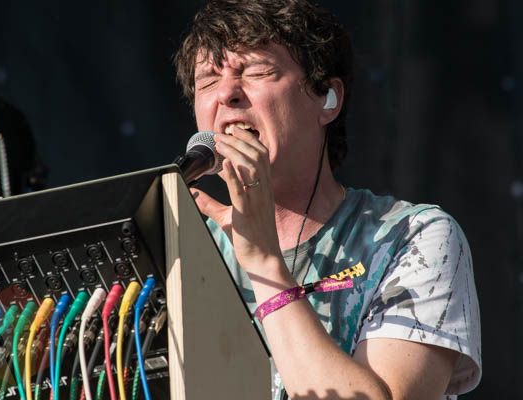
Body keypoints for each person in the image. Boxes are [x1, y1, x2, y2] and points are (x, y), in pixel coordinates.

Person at [174, 0, 481, 399]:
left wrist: (264, 261)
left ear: (328, 99)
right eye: (208, 81)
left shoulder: (413, 237)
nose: (227, 94)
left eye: (258, 71)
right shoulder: (181, 252)